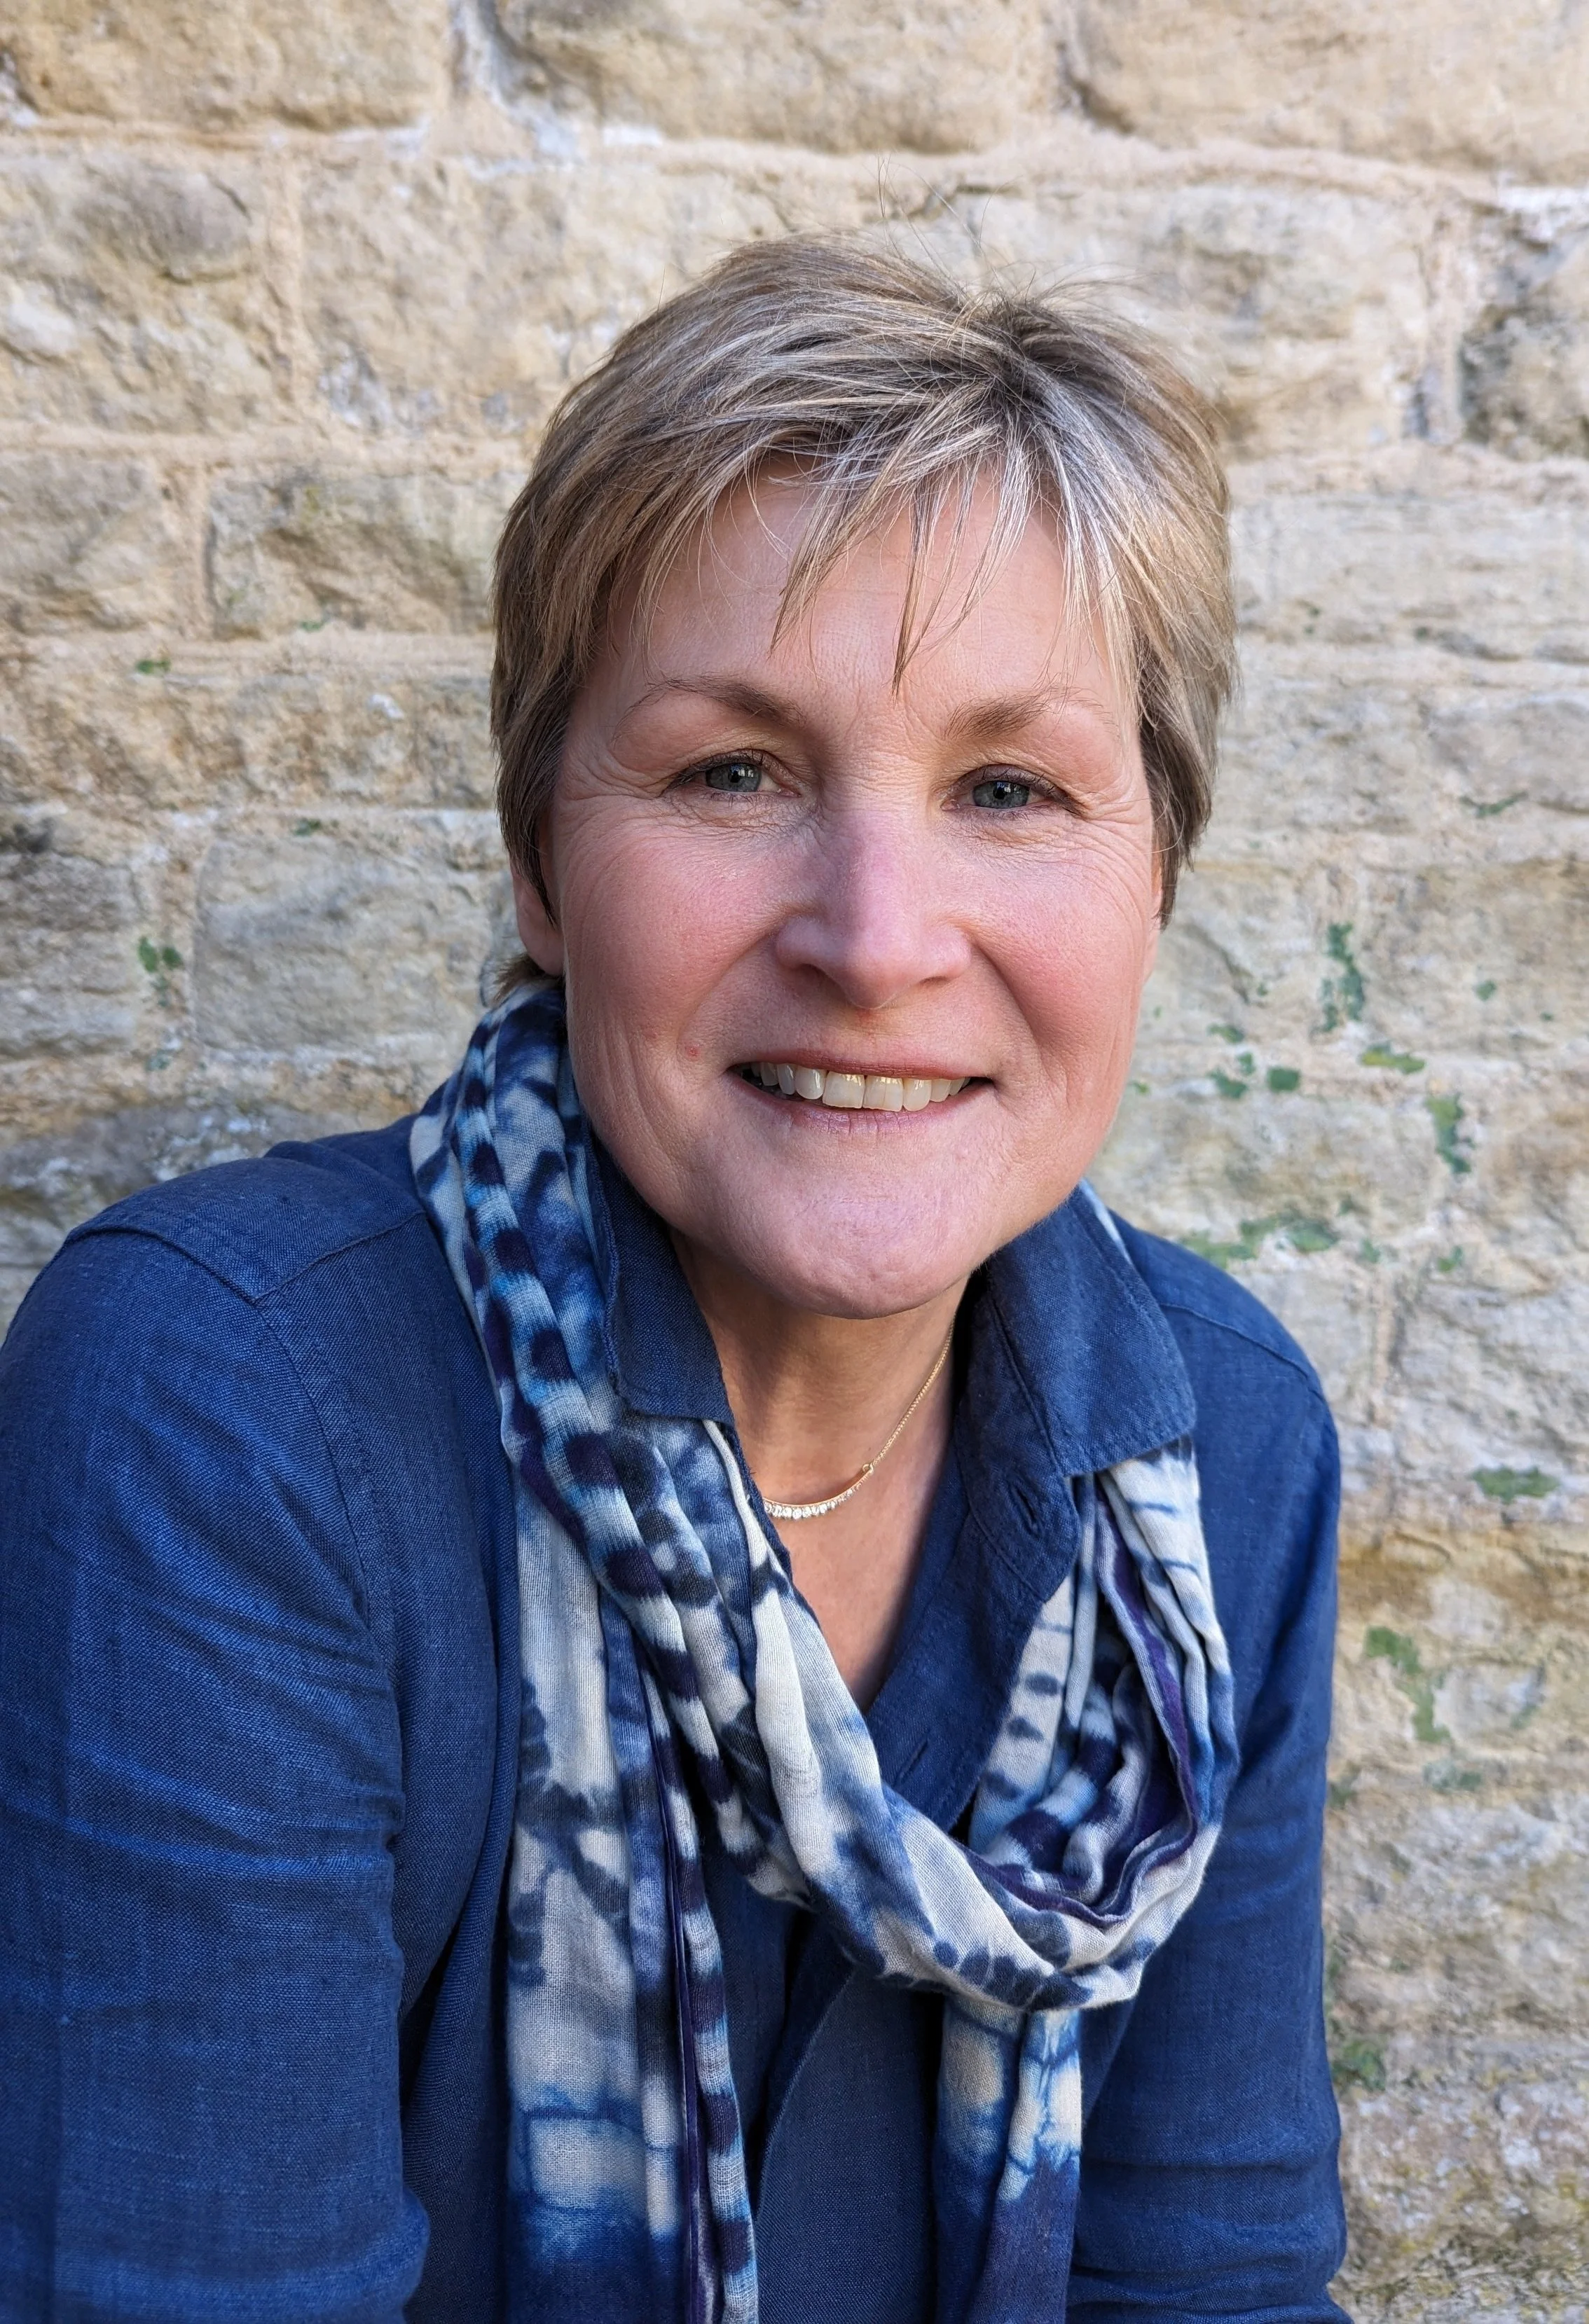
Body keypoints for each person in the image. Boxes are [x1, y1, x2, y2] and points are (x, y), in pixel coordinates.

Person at [0, 240, 1348, 2323]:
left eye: (1009, 787)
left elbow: (1209, 2287)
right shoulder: (228, 1407)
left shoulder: (1215, 1454)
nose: (877, 935)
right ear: (541, 864)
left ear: (1153, 868)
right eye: (733, 769)